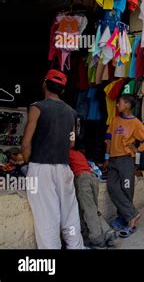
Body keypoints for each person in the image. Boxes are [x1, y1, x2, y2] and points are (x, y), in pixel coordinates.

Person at [21, 69, 84, 249]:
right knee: (69, 214)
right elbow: (71, 143)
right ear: (62, 90)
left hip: (41, 168)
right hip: (64, 168)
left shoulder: (37, 107)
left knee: (47, 218)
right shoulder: (71, 112)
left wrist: (27, 163)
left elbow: (26, 144)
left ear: (44, 84)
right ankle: (75, 246)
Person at [104, 94, 144, 238]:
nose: (117, 105)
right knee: (112, 187)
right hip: (113, 159)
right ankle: (132, 214)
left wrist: (138, 149)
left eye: (119, 102)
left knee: (126, 189)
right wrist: (106, 158)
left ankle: (125, 219)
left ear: (127, 105)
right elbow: (108, 140)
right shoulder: (115, 120)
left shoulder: (135, 123)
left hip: (126, 160)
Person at [69, 146, 117, 249]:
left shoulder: (66, 153)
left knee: (89, 211)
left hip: (82, 179)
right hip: (92, 178)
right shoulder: (78, 153)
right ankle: (107, 232)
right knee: (93, 210)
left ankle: (98, 241)